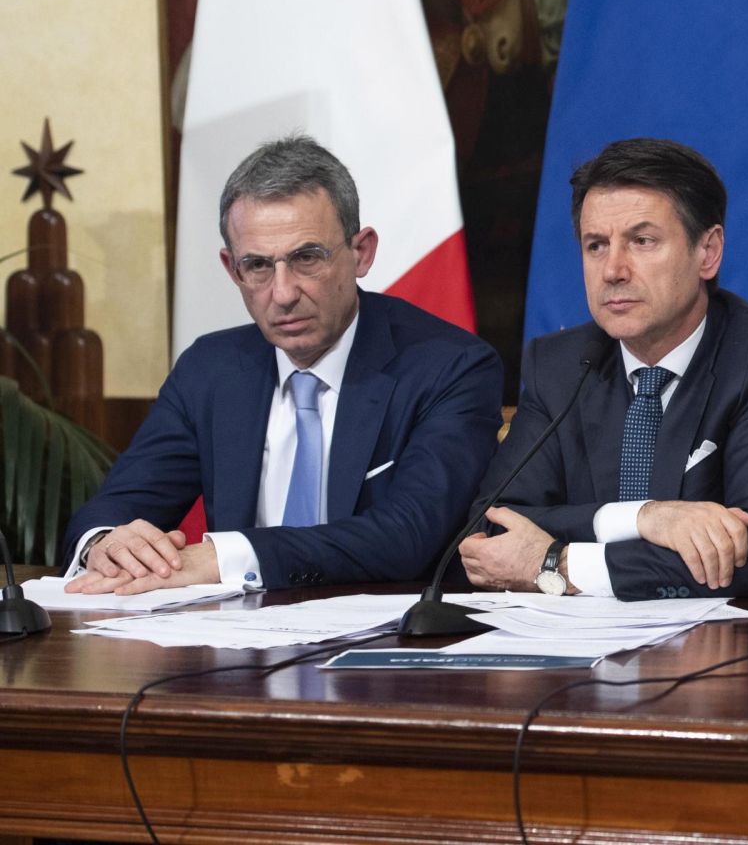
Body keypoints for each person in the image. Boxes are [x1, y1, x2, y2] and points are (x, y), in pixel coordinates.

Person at [60, 135, 504, 592]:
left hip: (387, 646)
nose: (283, 293)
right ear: (232, 269)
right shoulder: (211, 370)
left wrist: (228, 558)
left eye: (307, 258)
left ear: (361, 253)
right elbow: (116, 506)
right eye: (257, 266)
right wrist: (109, 543)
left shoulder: (450, 367)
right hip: (233, 646)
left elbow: (407, 535)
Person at [456, 138, 748, 600]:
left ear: (708, 252)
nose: (613, 270)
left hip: (741, 654)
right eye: (596, 245)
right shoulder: (559, 364)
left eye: (642, 241)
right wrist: (641, 517)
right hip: (576, 650)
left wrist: (561, 563)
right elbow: (491, 530)